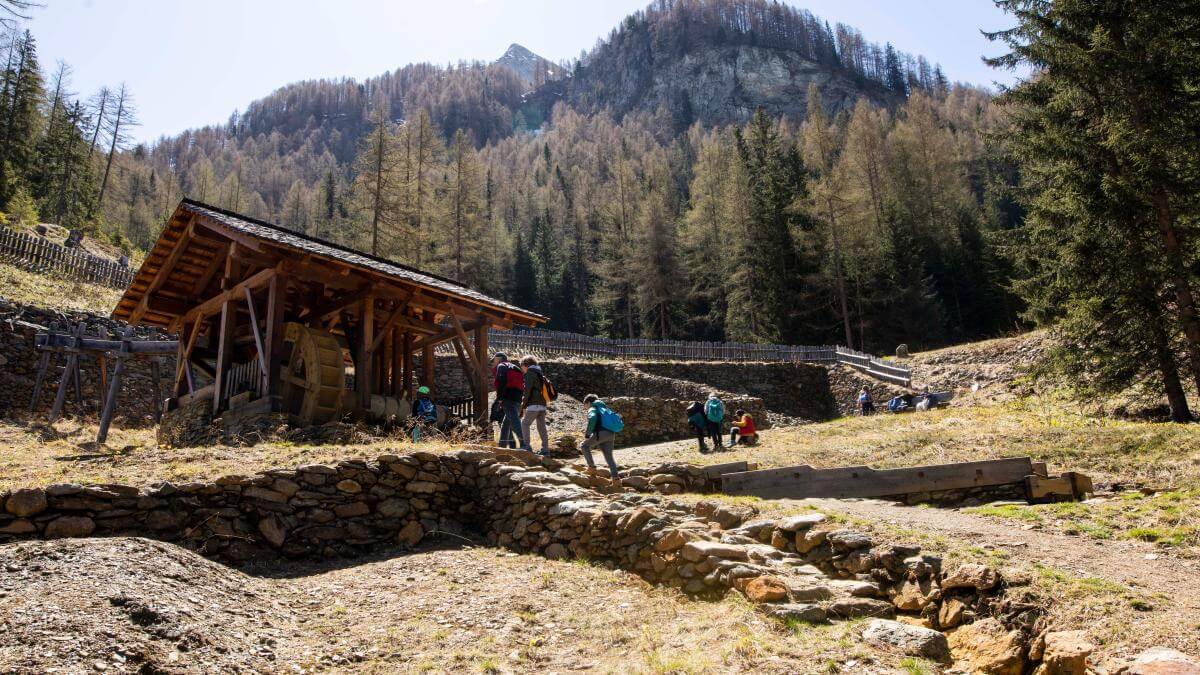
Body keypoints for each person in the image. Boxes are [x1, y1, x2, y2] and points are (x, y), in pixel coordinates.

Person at [581, 394, 621, 479]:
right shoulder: (605, 408)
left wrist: (588, 434)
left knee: (584, 446)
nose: (585, 407)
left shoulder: (593, 408)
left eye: (584, 404)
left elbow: (592, 419)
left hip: (600, 433)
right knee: (609, 457)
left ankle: (591, 468)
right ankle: (616, 480)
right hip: (611, 434)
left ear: (588, 402)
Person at [491, 353, 525, 449]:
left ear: (499, 359)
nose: (493, 362)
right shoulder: (516, 367)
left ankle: (524, 444)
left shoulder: (501, 366)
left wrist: (500, 398)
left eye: (494, 360)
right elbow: (523, 383)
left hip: (507, 396)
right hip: (518, 397)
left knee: (515, 421)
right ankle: (502, 446)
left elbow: (501, 381)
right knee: (506, 424)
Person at [519, 354, 550, 455]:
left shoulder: (530, 373)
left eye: (521, 366)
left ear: (526, 364)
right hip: (542, 404)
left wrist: (523, 405)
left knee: (524, 424)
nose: (521, 368)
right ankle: (545, 450)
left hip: (534, 404)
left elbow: (527, 391)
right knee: (541, 427)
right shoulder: (540, 373)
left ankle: (527, 447)